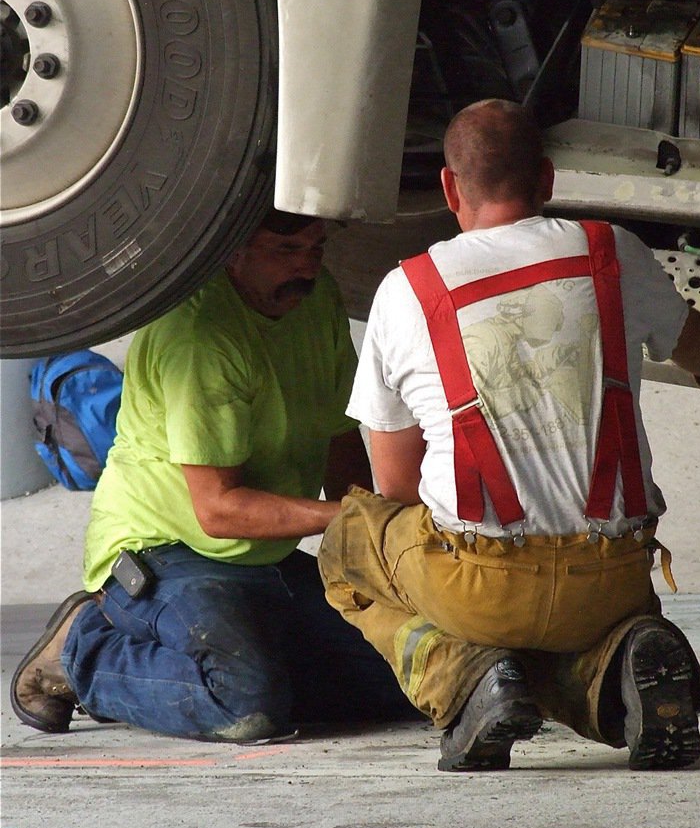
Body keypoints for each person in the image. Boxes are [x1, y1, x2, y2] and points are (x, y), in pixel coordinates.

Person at [318, 99, 700, 772]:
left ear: (448, 186)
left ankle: (465, 677)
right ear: (548, 181)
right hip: (609, 579)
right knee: (576, 626)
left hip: (476, 584)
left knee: (349, 540)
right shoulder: (614, 253)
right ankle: (622, 661)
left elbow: (397, 490)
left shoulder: (407, 292)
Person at [12, 210, 413, 742]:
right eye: (285, 252)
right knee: (246, 704)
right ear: (231, 249)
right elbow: (219, 510)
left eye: (315, 250)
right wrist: (360, 516)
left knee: (409, 680)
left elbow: (339, 435)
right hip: (165, 550)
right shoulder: (201, 334)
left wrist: (373, 550)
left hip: (260, 555)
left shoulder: (316, 298)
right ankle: (82, 647)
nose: (307, 268)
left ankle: (235, 675)